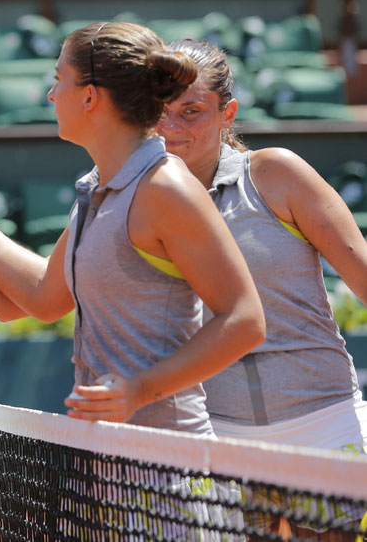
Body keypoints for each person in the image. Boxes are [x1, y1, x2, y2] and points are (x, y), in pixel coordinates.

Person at [0, 22, 266, 435]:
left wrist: (140, 390)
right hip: (106, 455)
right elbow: (38, 298)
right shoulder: (98, 186)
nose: (51, 95)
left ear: (89, 97)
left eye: (58, 80)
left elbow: (245, 319)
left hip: (169, 462)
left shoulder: (165, 187)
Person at [156, 39, 367, 538]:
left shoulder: (277, 174)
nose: (171, 127)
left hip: (324, 423)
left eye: (191, 111)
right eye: (159, 112)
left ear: (227, 112)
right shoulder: (138, 199)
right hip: (218, 435)